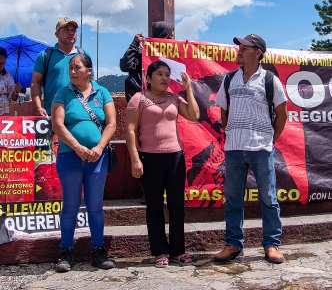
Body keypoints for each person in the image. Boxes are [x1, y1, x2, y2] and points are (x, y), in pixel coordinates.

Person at [214, 34, 287, 265]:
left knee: (268, 197)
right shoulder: (229, 79)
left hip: (261, 149)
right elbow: (223, 112)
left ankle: (272, 244)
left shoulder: (270, 80)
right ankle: (233, 244)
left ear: (257, 52)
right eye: (239, 47)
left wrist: (268, 139)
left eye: (244, 48)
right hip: (234, 148)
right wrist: (233, 131)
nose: (239, 50)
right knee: (233, 198)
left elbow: (282, 115)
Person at [125, 60, 199, 268]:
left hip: (175, 156)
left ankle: (177, 251)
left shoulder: (174, 98)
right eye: (159, 74)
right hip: (150, 157)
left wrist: (189, 90)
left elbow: (194, 115)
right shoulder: (138, 99)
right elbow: (130, 130)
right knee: (154, 206)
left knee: (177, 206)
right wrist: (135, 159)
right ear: (148, 78)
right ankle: (160, 251)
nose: (164, 78)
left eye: (167, 74)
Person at [51, 53, 116, 272]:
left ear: (89, 71)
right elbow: (58, 125)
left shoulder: (103, 92)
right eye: (70, 67)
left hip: (97, 158)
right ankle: (65, 252)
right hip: (70, 157)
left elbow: (111, 124)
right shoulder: (62, 93)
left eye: (77, 67)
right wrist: (78, 148)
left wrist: (98, 148)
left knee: (95, 207)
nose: (72, 71)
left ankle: (98, 251)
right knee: (70, 206)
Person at [31, 17, 91, 116]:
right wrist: (38, 107)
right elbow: (35, 83)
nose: (71, 33)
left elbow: (91, 82)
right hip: (52, 113)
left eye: (73, 30)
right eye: (66, 30)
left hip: (80, 113)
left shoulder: (84, 55)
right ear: (57, 34)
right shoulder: (45, 55)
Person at [120, 21, 174, 103]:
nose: (172, 39)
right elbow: (125, 66)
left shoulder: (176, 54)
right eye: (170, 36)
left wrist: (188, 48)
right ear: (163, 35)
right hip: (147, 101)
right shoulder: (145, 53)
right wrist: (134, 44)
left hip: (170, 100)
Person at [0, 47, 21, 115]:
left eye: (2, 63)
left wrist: (15, 92)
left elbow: (12, 100)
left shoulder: (8, 76)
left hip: (4, 112)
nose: (0, 65)